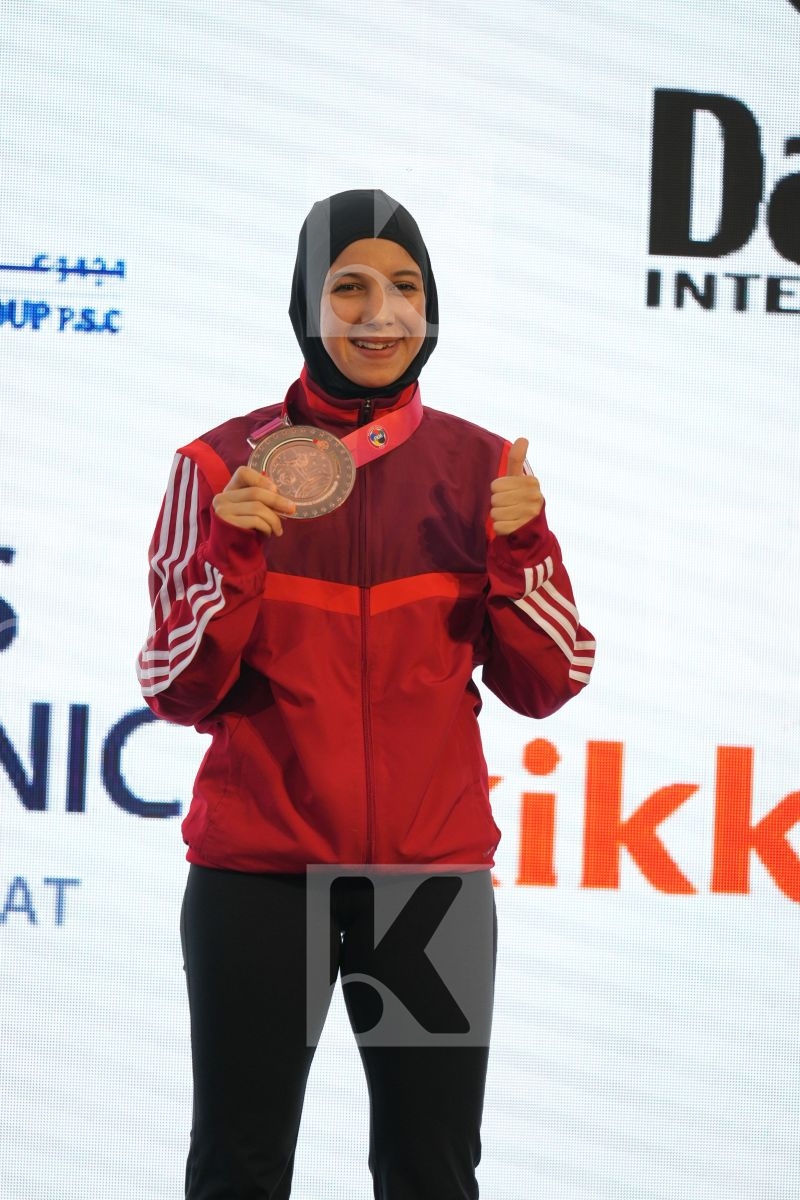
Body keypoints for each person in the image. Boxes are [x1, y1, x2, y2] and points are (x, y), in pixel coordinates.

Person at [137, 189, 595, 1200]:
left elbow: (549, 682)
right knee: (237, 1167)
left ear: (432, 310)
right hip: (259, 877)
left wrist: (517, 551)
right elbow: (173, 686)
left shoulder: (483, 470)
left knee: (429, 1173)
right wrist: (234, 551)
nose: (378, 314)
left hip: (426, 885)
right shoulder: (217, 467)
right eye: (347, 287)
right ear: (305, 304)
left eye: (405, 288)